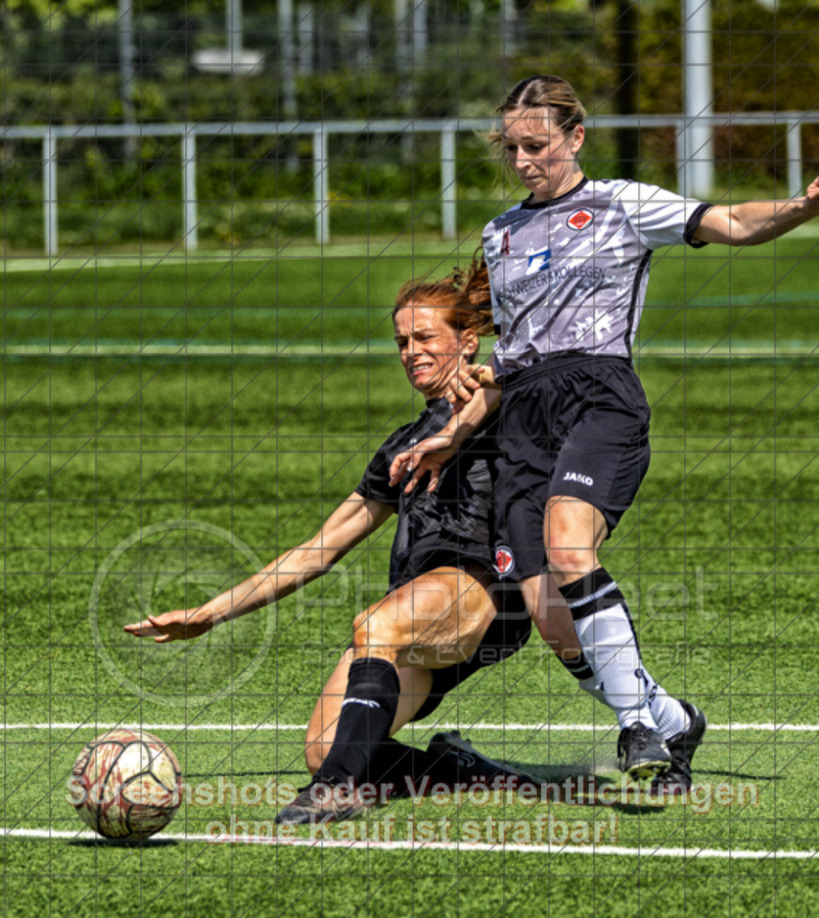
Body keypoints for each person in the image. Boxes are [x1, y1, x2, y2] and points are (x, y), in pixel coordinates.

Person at [390, 75, 819, 797]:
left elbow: (735, 222)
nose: (524, 160)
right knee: (551, 620)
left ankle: (634, 730)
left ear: (574, 137)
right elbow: (511, 362)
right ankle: (669, 718)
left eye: (537, 145)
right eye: (513, 148)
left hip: (599, 399)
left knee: (568, 544)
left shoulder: (623, 205)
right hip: (524, 419)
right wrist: (454, 432)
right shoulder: (501, 233)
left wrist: (802, 207)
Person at [125, 261, 575, 824]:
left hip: (485, 590)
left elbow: (549, 377)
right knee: (327, 748)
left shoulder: (501, 398)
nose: (411, 351)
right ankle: (456, 769)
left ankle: (335, 793)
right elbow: (319, 549)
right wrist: (208, 614)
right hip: (420, 607)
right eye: (401, 341)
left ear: (467, 340)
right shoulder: (402, 445)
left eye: (424, 337)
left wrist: (496, 377)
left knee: (375, 627)